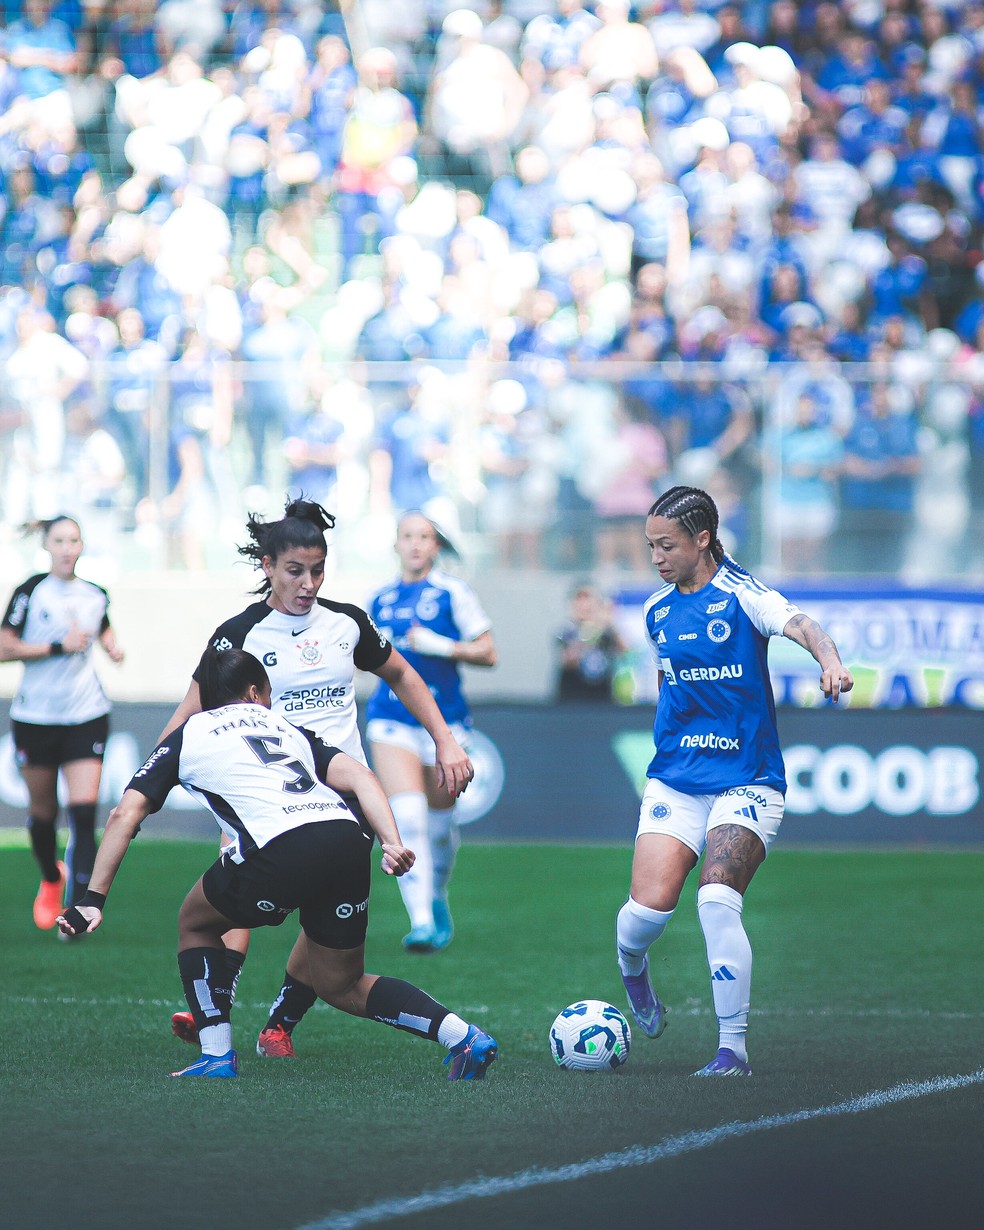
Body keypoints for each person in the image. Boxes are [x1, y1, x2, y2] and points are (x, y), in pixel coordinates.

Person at [56, 647, 497, 1082]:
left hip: (280, 847)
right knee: (342, 985)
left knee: (195, 921)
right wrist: (390, 842)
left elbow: (123, 815)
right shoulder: (283, 725)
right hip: (346, 837)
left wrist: (93, 899)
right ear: (253, 692)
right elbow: (362, 777)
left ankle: (216, 1056)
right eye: (268, 693)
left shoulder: (187, 734)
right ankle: (464, 1038)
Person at [162, 497, 474, 1059]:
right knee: (227, 898)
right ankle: (218, 1007)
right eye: (294, 571)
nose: (308, 583)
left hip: (345, 796)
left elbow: (402, 674)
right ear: (266, 567)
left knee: (323, 919)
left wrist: (444, 738)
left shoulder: (346, 623)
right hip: (260, 793)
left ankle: (279, 1023)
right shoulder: (239, 635)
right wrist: (152, 778)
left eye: (317, 571)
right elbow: (190, 711)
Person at [615, 485, 853, 1076]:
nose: (656, 558)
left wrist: (829, 660)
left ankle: (731, 1050)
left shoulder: (743, 596)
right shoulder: (656, 611)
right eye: (650, 546)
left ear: (703, 539)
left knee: (717, 898)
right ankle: (634, 975)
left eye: (666, 545)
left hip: (748, 778)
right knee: (645, 914)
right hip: (676, 780)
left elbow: (800, 623)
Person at [365, 512, 497, 952]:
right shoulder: (378, 599)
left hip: (447, 723)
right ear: (397, 544)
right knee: (409, 819)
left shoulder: (453, 593)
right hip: (391, 719)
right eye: (408, 536)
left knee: (440, 826)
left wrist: (444, 647)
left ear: (436, 545)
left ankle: (435, 897)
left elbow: (488, 652)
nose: (416, 544)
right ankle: (420, 921)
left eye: (424, 537)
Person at [0, 516, 124, 931]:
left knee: (84, 811)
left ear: (82, 545)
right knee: (43, 812)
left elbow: (102, 627)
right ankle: (52, 879)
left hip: (86, 714)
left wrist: (112, 648)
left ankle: (78, 909)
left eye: (74, 540)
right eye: (60, 540)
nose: (68, 548)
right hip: (36, 717)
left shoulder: (95, 594)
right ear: (47, 545)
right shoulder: (30, 591)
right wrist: (57, 645)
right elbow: (4, 646)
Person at [555, 583, 627, 703]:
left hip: (602, 697)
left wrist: (609, 623)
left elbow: (625, 651)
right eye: (579, 600)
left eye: (588, 600)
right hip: (572, 697)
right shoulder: (567, 630)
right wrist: (591, 632)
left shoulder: (607, 631)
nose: (584, 605)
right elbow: (568, 660)